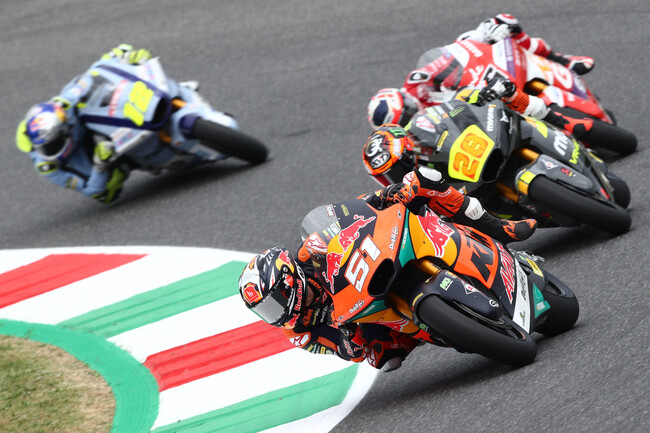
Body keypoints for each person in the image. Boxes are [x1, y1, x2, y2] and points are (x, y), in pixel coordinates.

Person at [238, 165, 537, 372]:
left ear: (288, 280)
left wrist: (382, 197)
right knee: (382, 358)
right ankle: (450, 328)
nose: (275, 314)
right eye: (265, 311)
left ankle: (497, 228)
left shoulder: (310, 252)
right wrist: (349, 335)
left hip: (376, 259)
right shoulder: (298, 332)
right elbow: (347, 352)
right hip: (365, 316)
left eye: (274, 302)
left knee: (424, 182)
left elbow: (347, 213)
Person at [367, 13, 595, 129]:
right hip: (477, 120)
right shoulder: (418, 132)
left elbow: (449, 58)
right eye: (405, 121)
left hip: (478, 85)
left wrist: (481, 37)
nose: (411, 116)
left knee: (505, 21)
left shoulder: (416, 83)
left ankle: (561, 60)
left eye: (406, 111)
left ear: (403, 96)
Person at [15, 44, 153, 205]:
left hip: (82, 125)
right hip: (78, 154)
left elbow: (88, 78)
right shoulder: (47, 166)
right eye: (46, 147)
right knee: (105, 193)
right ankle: (131, 160)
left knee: (101, 91)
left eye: (53, 145)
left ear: (63, 131)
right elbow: (90, 190)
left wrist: (120, 56)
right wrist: (100, 165)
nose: (49, 151)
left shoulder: (64, 107)